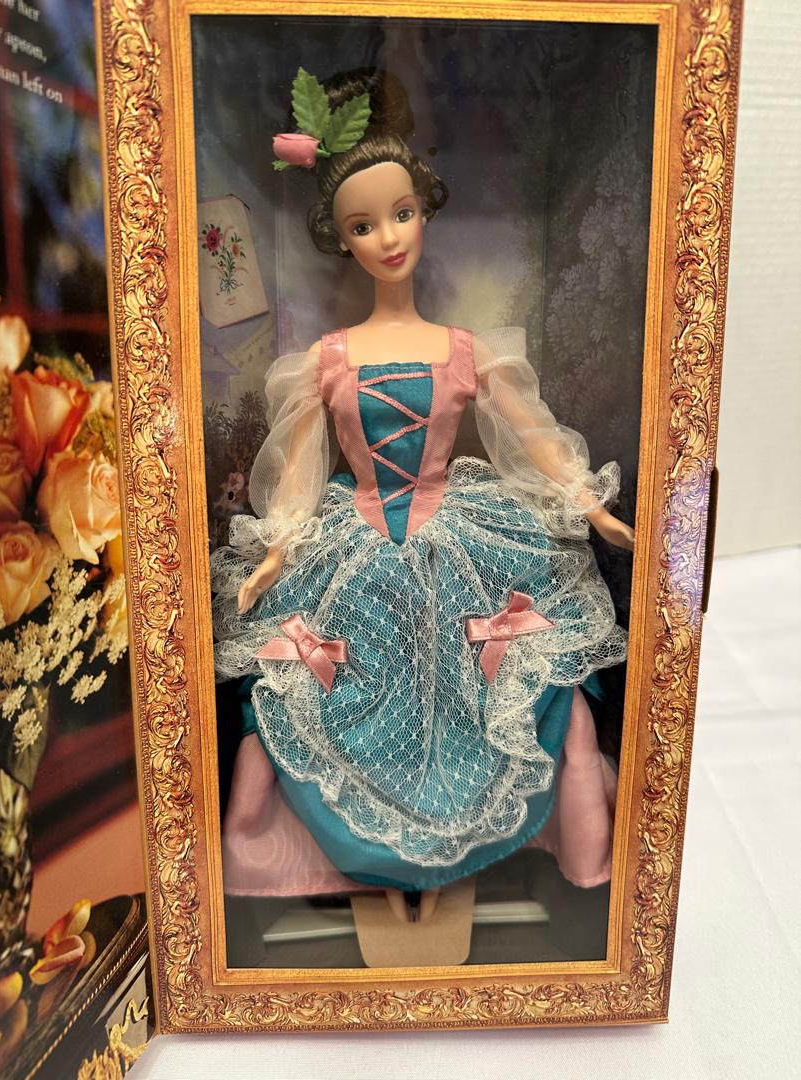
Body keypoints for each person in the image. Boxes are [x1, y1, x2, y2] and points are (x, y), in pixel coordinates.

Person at [210, 67, 633, 924]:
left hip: (456, 534)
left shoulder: (465, 350)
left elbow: (532, 431)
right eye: (363, 225)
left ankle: (510, 853)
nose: (388, 238)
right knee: (313, 691)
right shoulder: (328, 360)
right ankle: (339, 866)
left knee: (508, 682)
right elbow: (302, 469)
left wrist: (589, 505)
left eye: (401, 213)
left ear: (425, 209)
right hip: (357, 545)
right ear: (341, 240)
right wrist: (278, 550)